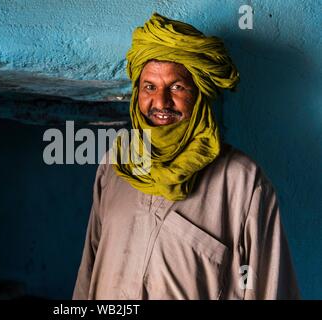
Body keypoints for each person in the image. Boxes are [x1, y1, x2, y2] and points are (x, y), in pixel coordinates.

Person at [72, 13, 300, 300]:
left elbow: (270, 290)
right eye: (149, 87)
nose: (161, 103)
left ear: (199, 94)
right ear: (137, 95)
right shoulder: (115, 166)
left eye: (177, 87)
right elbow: (88, 272)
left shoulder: (242, 181)